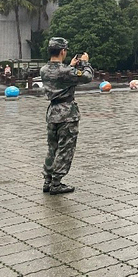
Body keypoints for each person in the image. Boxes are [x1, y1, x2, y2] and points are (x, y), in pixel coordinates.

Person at [40, 38, 93, 195]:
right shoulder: (66, 72)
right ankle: (56, 183)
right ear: (63, 51)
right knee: (65, 149)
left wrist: (70, 66)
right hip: (67, 114)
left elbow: (59, 75)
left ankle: (47, 180)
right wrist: (85, 63)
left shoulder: (44, 70)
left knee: (52, 148)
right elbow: (87, 77)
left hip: (52, 112)